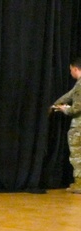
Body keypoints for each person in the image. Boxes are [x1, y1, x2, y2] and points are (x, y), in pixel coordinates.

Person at [51, 56, 81, 193]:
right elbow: (69, 95)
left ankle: (79, 184)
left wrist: (64, 109)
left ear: (76, 69)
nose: (70, 73)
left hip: (79, 126)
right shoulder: (78, 85)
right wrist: (56, 104)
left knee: (77, 154)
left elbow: (76, 108)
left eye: (71, 70)